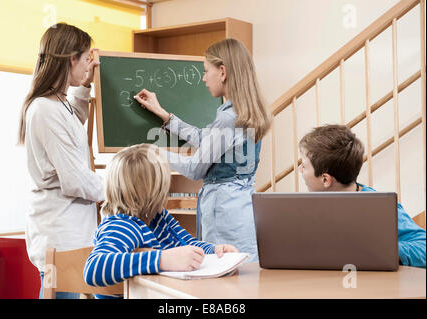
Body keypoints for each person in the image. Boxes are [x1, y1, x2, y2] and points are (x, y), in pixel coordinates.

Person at [133, 38, 271, 262]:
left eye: (207, 71)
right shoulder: (247, 112)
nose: (204, 78)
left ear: (223, 71)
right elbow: (206, 139)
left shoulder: (227, 118)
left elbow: (195, 169)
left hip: (222, 212)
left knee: (221, 275)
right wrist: (166, 117)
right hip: (242, 209)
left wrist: (154, 152)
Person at [83, 144, 238, 298]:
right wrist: (163, 260)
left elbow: (185, 242)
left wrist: (213, 250)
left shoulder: (158, 217)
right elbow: (94, 268)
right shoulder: (121, 225)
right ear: (154, 191)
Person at [17, 23, 103, 298]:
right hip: (60, 235)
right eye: (85, 60)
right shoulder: (44, 109)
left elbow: (73, 121)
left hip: (69, 234)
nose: (87, 65)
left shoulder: (56, 104)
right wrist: (117, 190)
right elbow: (75, 180)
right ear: (70, 59)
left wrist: (86, 83)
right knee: (59, 293)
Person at [298, 124, 426, 268]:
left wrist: (382, 251)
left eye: (303, 165)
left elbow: (424, 247)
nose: (300, 170)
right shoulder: (307, 208)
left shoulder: (379, 207)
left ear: (326, 180)